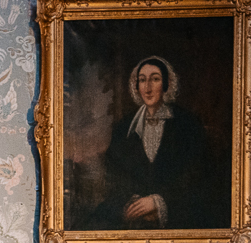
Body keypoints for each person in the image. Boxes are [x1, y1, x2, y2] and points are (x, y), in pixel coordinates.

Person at [89, 55, 221, 232]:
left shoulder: (187, 123)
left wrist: (158, 202)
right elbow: (114, 174)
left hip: (179, 211)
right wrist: (134, 203)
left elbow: (196, 174)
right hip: (132, 213)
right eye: (142, 80)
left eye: (155, 79)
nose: (148, 88)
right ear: (136, 86)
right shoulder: (124, 127)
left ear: (166, 84)